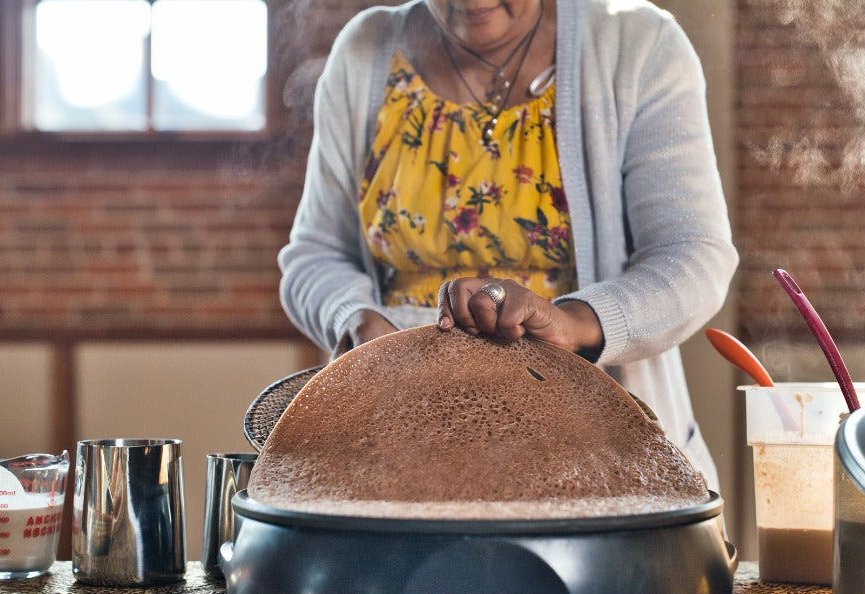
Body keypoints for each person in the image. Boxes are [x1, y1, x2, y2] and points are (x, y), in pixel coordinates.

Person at [278, 0, 737, 489]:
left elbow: (694, 255)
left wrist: (572, 322)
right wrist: (357, 320)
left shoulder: (639, 47)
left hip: (592, 460)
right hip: (395, 454)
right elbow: (314, 255)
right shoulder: (364, 53)